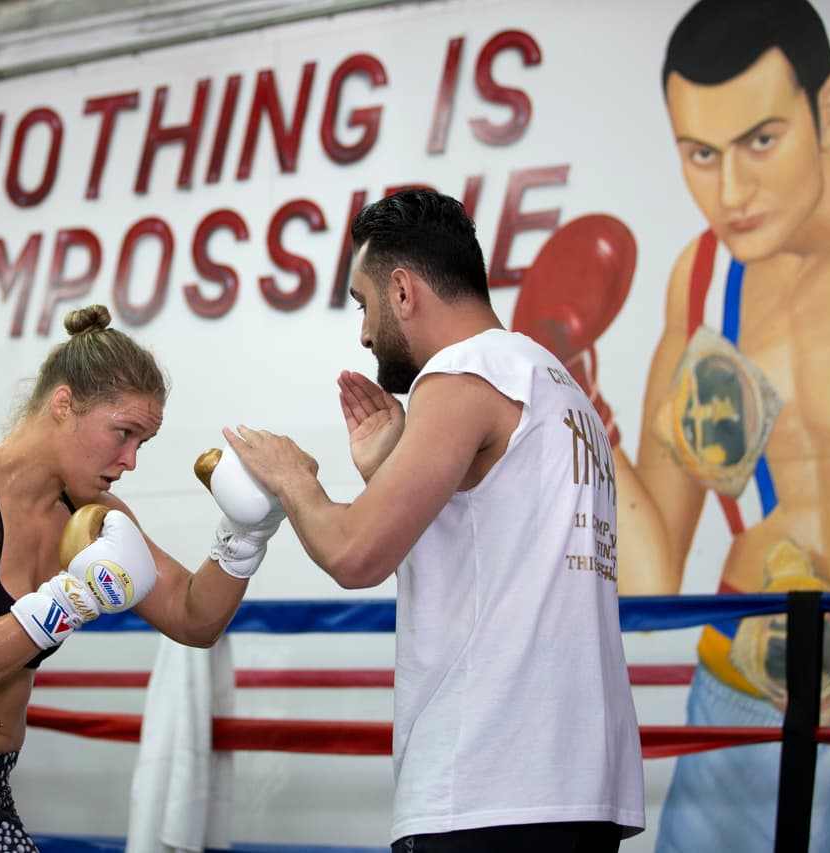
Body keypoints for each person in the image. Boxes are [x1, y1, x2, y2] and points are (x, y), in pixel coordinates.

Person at [561, 1, 830, 850]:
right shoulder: (705, 279)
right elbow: (648, 576)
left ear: (829, 110)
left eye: (761, 140)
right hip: (736, 692)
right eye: (701, 155)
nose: (732, 192)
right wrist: (577, 398)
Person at [225, 189, 645, 852]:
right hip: (575, 788)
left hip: (487, 787)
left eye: (363, 304)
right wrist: (391, 466)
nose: (363, 333)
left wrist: (291, 476)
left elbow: (354, 554)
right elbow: (489, 548)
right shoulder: (557, 386)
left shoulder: (462, 373)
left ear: (401, 290)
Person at [0, 303, 285, 851]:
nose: (130, 460)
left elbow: (194, 618)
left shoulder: (91, 515)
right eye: (123, 433)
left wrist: (243, 539)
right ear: (64, 405)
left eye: (142, 443)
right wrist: (73, 598)